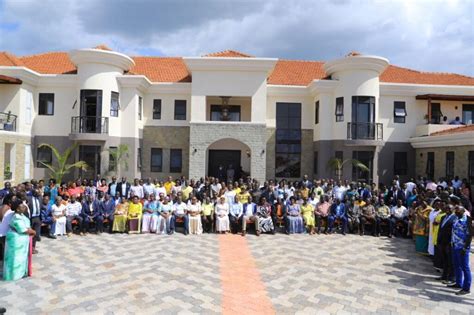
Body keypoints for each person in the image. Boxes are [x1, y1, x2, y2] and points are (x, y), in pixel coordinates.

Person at [3, 202, 36, 281]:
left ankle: (21, 272)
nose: (24, 207)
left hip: (20, 240)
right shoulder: (16, 217)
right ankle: (15, 275)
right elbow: (23, 230)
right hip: (16, 241)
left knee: (20, 257)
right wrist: (33, 232)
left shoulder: (20, 215)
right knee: (16, 258)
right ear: (17, 209)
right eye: (22, 206)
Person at [450, 206, 472, 295]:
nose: (456, 212)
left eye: (458, 211)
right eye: (456, 211)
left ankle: (466, 288)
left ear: (463, 211)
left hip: (462, 248)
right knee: (456, 265)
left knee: (465, 267)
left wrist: (465, 248)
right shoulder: (456, 218)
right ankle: (459, 283)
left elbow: (470, 236)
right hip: (454, 245)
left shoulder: (468, 220)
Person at [438, 205, 456, 284]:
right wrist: (438, 239)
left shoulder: (454, 218)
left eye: (449, 208)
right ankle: (444, 276)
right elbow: (440, 229)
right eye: (446, 208)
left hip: (449, 242)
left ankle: (451, 277)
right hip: (442, 242)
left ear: (453, 210)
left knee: (450, 260)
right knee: (444, 260)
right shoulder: (443, 217)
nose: (447, 209)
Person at [26, 189, 42, 254]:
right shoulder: (28, 198)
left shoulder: (40, 198)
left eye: (39, 192)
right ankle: (28, 248)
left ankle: (33, 248)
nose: (39, 193)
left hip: (38, 218)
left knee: (36, 234)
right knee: (29, 234)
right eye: (37, 192)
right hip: (30, 218)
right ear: (33, 193)